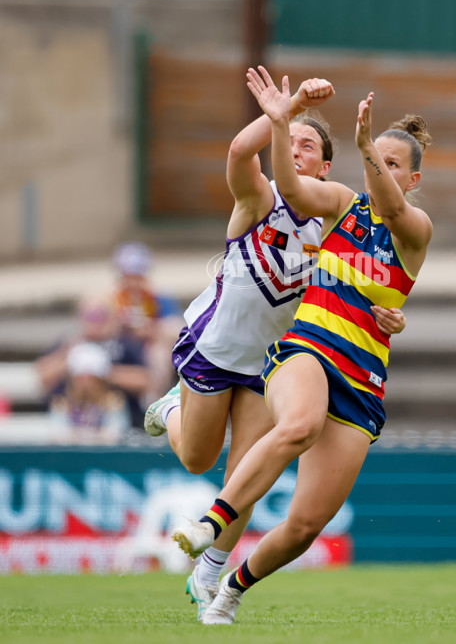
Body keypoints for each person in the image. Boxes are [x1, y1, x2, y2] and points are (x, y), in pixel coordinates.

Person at [172, 66, 433, 625]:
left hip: (363, 378)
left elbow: (389, 213)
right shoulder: (341, 202)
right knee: (297, 425)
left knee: (305, 525)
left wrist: (364, 145)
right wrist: (280, 121)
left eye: (391, 166)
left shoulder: (416, 227)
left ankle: (231, 589)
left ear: (412, 181)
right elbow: (288, 188)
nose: (377, 171)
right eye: (373, 160)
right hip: (306, 348)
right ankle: (209, 530)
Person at [35, 295, 151, 429]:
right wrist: (71, 358)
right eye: (90, 316)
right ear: (80, 318)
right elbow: (42, 377)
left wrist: (103, 371)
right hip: (68, 418)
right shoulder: (68, 343)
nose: (95, 322)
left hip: (116, 418)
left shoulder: (123, 344)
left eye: (100, 316)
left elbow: (145, 381)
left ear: (111, 317)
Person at [111, 241, 181, 401]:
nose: (133, 282)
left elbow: (174, 330)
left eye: (138, 276)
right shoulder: (112, 300)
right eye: (128, 276)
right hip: (122, 349)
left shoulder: (159, 298)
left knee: (160, 351)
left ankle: (154, 399)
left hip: (151, 347)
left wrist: (150, 330)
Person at [48, 341, 130, 444]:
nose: (85, 383)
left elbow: (117, 433)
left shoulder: (114, 402)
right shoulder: (61, 404)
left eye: (91, 378)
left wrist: (83, 436)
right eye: (80, 378)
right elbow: (57, 434)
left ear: (100, 380)